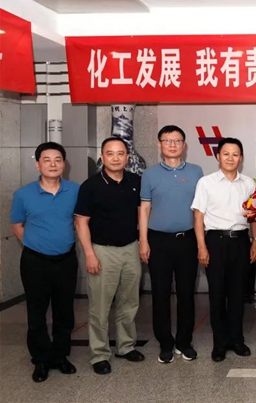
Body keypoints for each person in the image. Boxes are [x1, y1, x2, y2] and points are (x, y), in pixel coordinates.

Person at [10, 142, 80, 383]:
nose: (53, 164)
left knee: (64, 311)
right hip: (35, 262)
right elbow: (16, 225)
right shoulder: (23, 194)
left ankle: (60, 356)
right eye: (47, 160)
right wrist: (34, 244)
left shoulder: (75, 190)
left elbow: (79, 222)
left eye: (58, 160)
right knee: (37, 312)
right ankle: (40, 360)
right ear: (38, 165)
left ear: (64, 164)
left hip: (66, 260)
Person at [75, 137, 144, 375]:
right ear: (102, 157)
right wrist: (89, 254)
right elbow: (81, 222)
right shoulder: (90, 186)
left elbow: (142, 215)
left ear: (127, 157)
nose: (115, 158)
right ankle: (99, 354)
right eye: (110, 153)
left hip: (131, 248)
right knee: (100, 306)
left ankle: (126, 346)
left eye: (120, 153)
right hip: (102, 251)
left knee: (129, 302)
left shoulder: (136, 182)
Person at [191, 137, 256, 362]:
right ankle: (219, 344)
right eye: (226, 154)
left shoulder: (248, 184)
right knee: (217, 294)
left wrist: (255, 240)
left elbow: (254, 216)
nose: (231, 158)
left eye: (235, 154)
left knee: (238, 294)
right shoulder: (206, 183)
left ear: (241, 158)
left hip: (241, 241)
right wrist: (201, 246)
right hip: (215, 241)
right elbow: (198, 216)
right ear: (218, 156)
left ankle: (237, 340)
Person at [139, 125, 203, 364]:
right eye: (167, 140)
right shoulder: (149, 174)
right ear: (159, 144)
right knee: (160, 293)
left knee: (187, 293)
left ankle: (184, 342)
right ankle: (165, 343)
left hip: (187, 240)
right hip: (158, 241)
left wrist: (201, 242)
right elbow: (144, 208)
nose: (172, 145)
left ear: (184, 145)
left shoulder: (196, 172)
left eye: (177, 140)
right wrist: (143, 240)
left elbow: (200, 209)